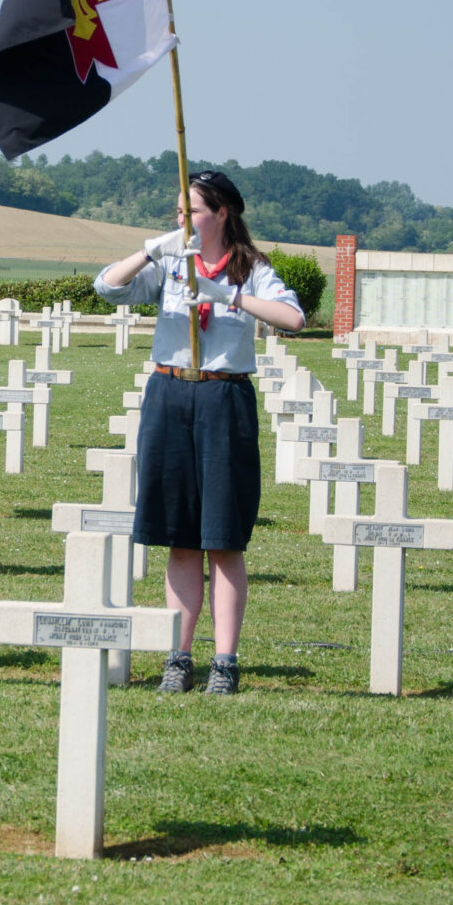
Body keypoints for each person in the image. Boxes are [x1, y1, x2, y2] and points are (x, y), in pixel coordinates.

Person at [92, 171, 307, 695]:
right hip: (170, 393)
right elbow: (106, 287)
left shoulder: (251, 268)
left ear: (223, 214)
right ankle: (178, 657)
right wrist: (152, 251)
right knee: (180, 537)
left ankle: (225, 662)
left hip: (222, 398)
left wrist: (226, 295)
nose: (182, 219)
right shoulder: (169, 263)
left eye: (192, 212)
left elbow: (293, 318)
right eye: (179, 212)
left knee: (222, 537)